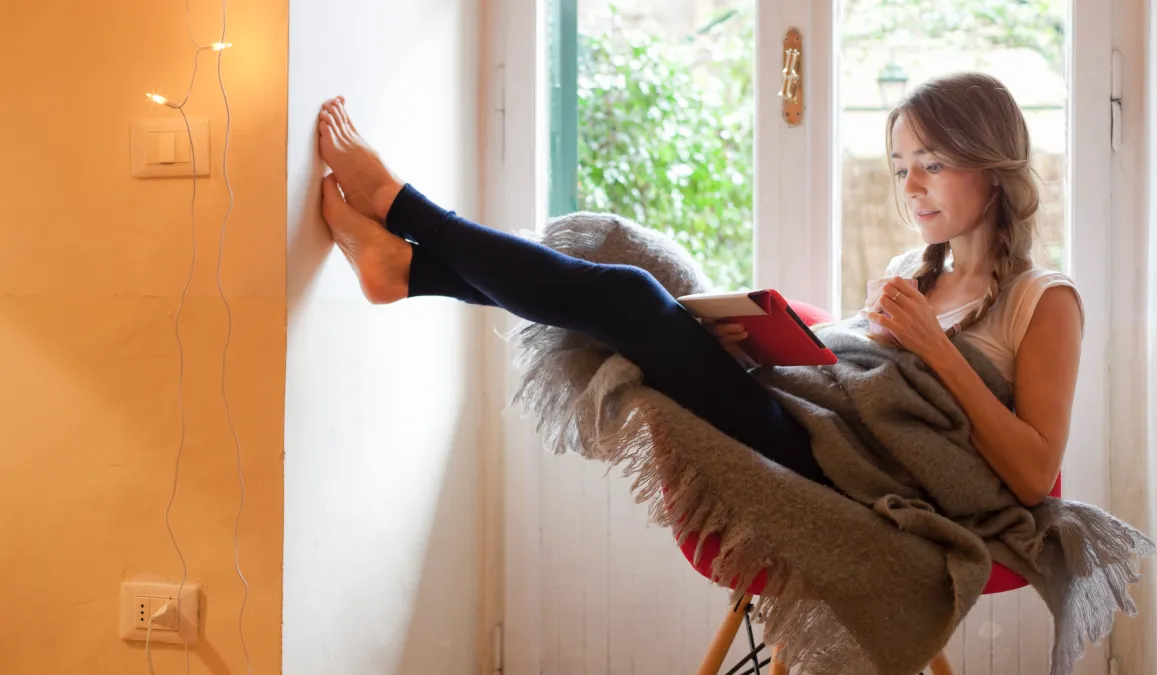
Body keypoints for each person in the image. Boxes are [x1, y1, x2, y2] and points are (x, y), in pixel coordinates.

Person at [315, 71, 1082, 507]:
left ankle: (403, 214)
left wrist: (932, 350)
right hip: (807, 422)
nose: (910, 185)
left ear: (994, 163)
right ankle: (407, 270)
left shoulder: (1043, 302)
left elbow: (1030, 474)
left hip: (860, 480)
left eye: (934, 162)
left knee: (629, 298)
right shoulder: (908, 272)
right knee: (633, 303)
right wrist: (757, 344)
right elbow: (847, 378)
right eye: (899, 164)